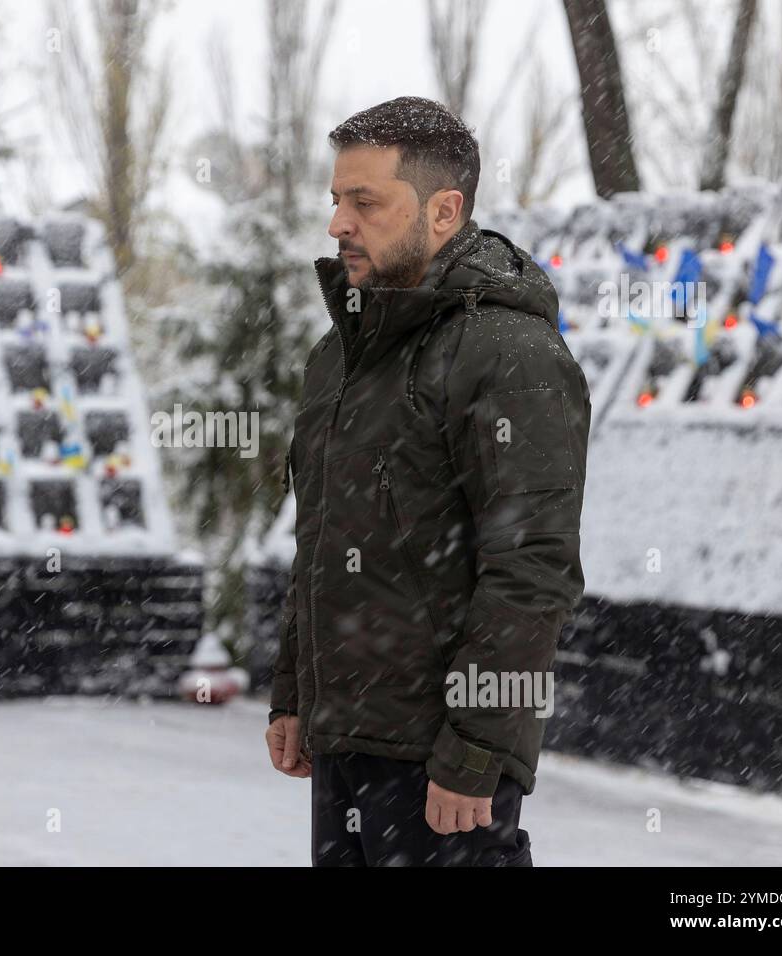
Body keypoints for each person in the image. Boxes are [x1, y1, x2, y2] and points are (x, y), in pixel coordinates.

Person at [264, 96, 592, 867]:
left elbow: (532, 568)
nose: (338, 223)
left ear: (444, 211)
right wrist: (294, 693)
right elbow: (325, 538)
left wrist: (479, 750)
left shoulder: (510, 354)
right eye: (336, 200)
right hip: (346, 742)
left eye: (364, 201)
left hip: (441, 758)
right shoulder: (341, 354)